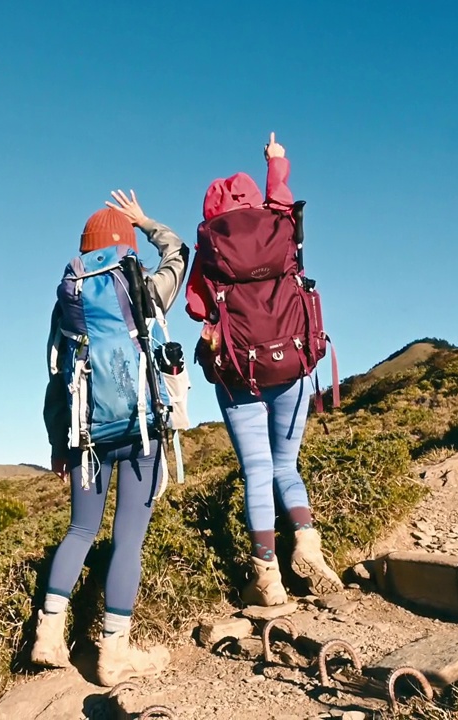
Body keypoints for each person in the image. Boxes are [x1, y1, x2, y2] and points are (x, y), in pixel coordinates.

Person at [33, 190, 187, 686]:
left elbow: (57, 377)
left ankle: (48, 636)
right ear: (126, 245)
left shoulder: (69, 299)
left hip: (85, 436)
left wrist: (60, 444)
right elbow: (179, 253)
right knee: (128, 539)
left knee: (81, 530)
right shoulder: (143, 285)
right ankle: (114, 652)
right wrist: (146, 221)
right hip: (140, 431)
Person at [187, 133, 343, 607]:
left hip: (239, 373)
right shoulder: (281, 228)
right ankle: (309, 549)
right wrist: (276, 161)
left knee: (257, 469)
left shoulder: (210, 248)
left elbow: (196, 308)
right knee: (286, 465)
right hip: (292, 363)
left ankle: (267, 578)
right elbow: (281, 199)